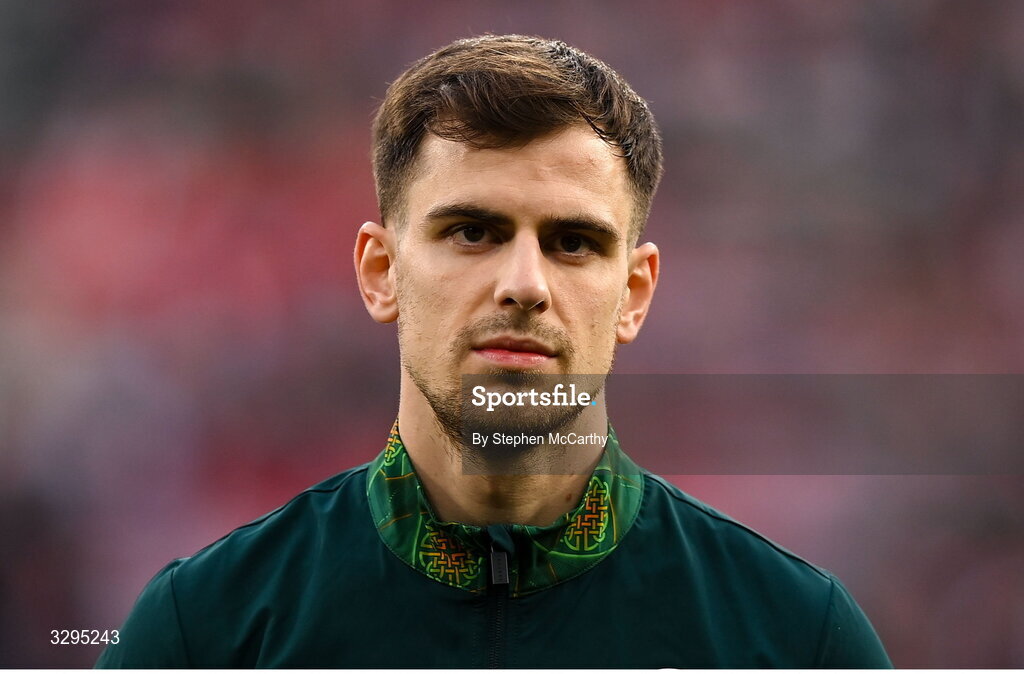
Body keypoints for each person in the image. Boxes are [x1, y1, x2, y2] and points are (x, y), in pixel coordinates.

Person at [96, 34, 891, 668]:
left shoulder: (795, 641)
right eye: (472, 231)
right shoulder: (206, 635)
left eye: (573, 241)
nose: (524, 284)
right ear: (382, 273)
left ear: (635, 294)